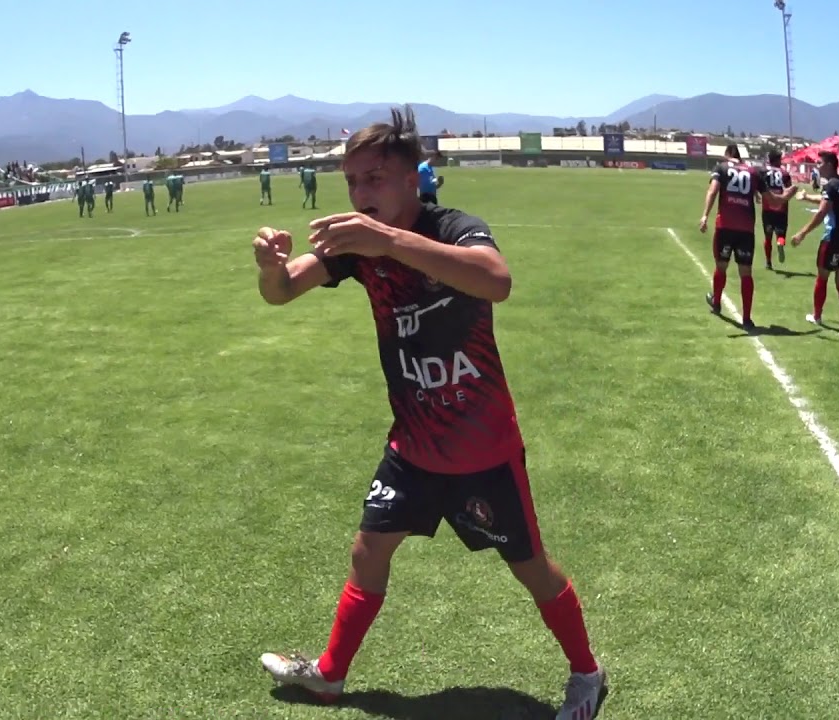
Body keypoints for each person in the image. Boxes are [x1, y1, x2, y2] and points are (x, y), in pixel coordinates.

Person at [253, 106, 606, 720]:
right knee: (368, 552)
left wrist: (389, 241)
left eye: (373, 179)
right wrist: (269, 268)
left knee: (531, 570)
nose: (360, 194)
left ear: (410, 176)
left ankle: (587, 673)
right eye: (352, 182)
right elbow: (282, 292)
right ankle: (331, 676)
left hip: (482, 449)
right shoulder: (357, 246)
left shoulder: (453, 228)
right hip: (413, 446)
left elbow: (497, 280)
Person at [700, 144, 794, 331]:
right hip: (746, 228)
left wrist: (705, 215)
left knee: (721, 266)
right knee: (746, 273)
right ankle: (747, 318)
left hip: (725, 225)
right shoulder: (753, 172)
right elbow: (772, 200)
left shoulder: (721, 167)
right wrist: (786, 197)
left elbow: (713, 191)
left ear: (728, 155)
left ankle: (717, 302)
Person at [792, 152, 839, 336]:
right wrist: (807, 197)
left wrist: (802, 233)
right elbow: (831, 202)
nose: (817, 166)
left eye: (819, 163)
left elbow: (822, 212)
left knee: (822, 277)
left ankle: (817, 315)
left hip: (833, 237)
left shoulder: (830, 185)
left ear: (829, 165)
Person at [760, 150, 792, 270]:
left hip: (767, 207)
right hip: (781, 209)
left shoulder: (763, 171)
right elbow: (789, 190)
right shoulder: (784, 173)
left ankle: (768, 262)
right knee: (781, 235)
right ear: (778, 160)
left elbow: (759, 186)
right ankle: (780, 243)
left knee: (768, 237)